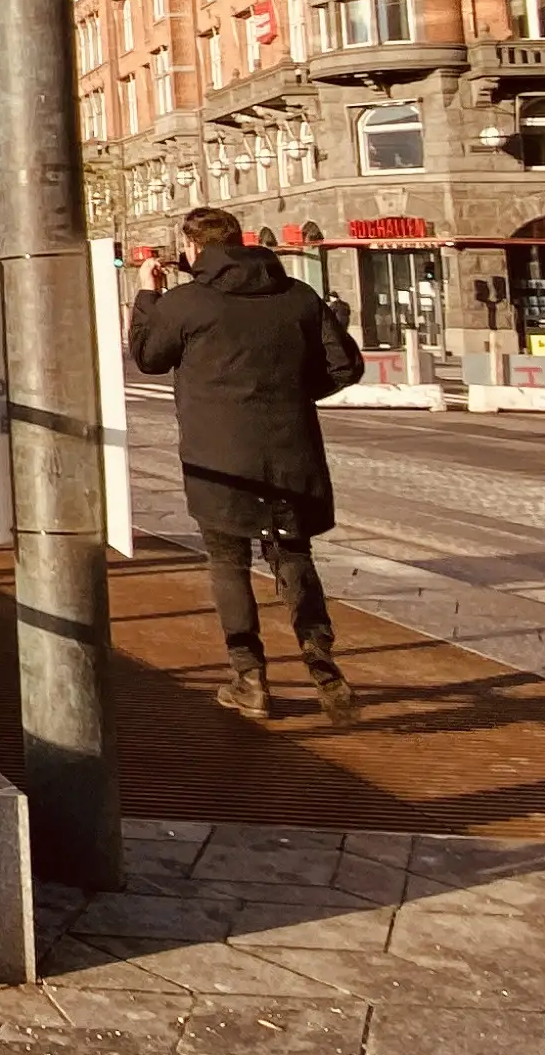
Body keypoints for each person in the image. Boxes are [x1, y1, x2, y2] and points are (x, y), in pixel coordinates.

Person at [127, 208, 366, 722]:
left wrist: (147, 294)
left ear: (193, 247)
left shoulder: (187, 303)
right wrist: (293, 395)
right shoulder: (298, 295)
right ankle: (320, 657)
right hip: (290, 450)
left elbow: (148, 356)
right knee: (293, 554)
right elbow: (344, 366)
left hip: (218, 456)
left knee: (227, 562)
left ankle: (250, 679)